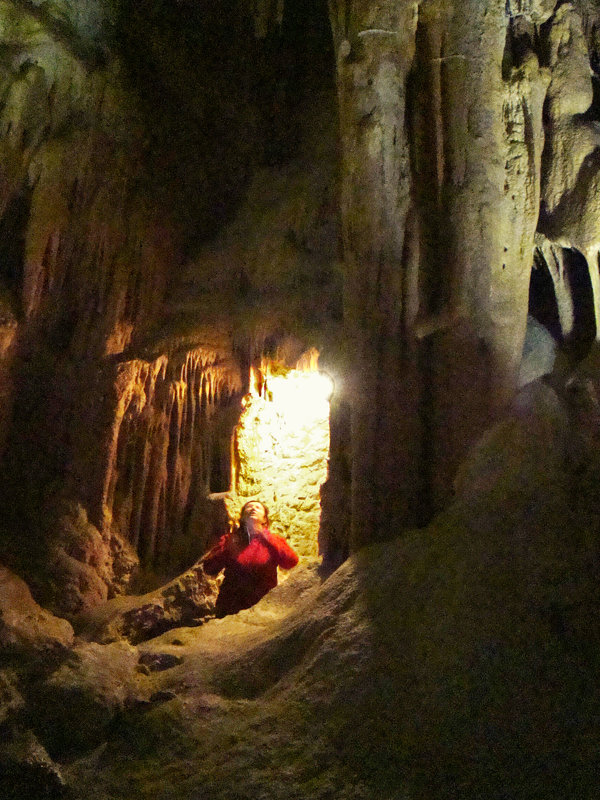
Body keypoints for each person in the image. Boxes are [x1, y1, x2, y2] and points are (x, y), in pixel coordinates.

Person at [202, 500, 299, 618]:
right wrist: (229, 547)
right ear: (242, 517)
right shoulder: (230, 539)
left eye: (258, 507)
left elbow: (291, 562)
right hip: (231, 605)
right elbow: (209, 568)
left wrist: (267, 538)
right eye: (249, 507)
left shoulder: (273, 541)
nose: (253, 508)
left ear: (264, 519)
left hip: (263, 606)